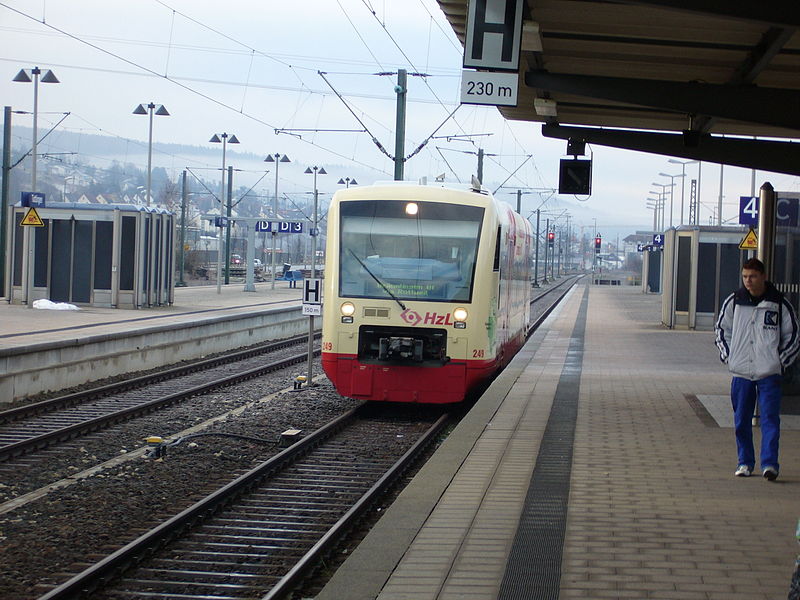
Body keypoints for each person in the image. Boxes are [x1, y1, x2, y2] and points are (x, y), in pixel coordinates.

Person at [715, 258, 799, 480]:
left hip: (769, 373)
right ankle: (744, 462)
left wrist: (779, 362)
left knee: (770, 419)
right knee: (741, 420)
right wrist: (728, 356)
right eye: (744, 277)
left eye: (752, 276)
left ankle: (770, 464)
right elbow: (722, 330)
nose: (748, 281)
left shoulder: (779, 304)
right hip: (741, 373)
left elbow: (792, 336)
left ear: (763, 276)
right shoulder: (734, 302)